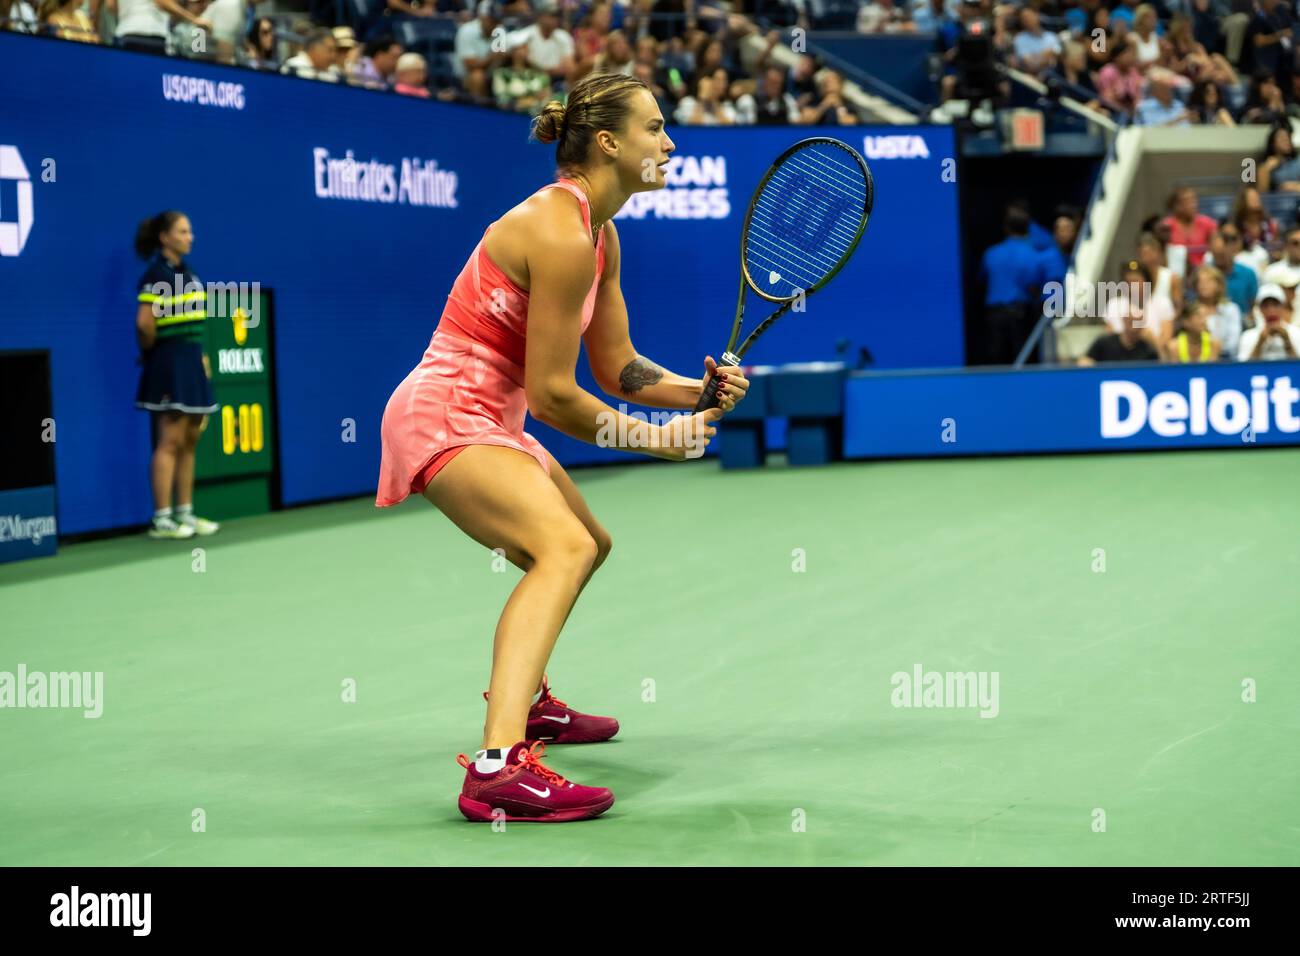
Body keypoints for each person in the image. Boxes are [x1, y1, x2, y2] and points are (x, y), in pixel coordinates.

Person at [374, 73, 748, 823]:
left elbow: (617, 368)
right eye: (655, 128)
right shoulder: (557, 230)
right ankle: (496, 768)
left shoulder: (600, 235)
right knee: (562, 550)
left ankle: (532, 701)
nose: (669, 143)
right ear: (609, 143)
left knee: (590, 542)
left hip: (491, 417)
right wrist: (655, 441)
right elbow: (553, 395)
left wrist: (694, 394)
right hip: (446, 412)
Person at [132, 211, 222, 540]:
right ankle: (161, 519)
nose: (190, 237)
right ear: (165, 237)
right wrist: (156, 354)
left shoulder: (190, 273)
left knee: (189, 440)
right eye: (183, 231)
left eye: (190, 231)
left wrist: (200, 357)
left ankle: (185, 512)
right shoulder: (155, 275)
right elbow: (144, 323)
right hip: (168, 362)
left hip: (191, 360)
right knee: (169, 441)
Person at [1238, 283, 1300, 359]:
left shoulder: (1296, 333)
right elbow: (1243, 369)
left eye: (1275, 305)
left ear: (1283, 306)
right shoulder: (1248, 336)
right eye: (1265, 305)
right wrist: (1260, 342)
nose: (1271, 310)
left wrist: (1287, 342)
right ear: (1260, 308)